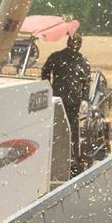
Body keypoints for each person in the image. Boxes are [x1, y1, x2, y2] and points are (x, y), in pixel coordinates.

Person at [41, 33, 91, 175]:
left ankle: (70, 159)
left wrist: (85, 99)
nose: (75, 44)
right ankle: (65, 159)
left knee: (68, 131)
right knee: (63, 130)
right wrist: (48, 88)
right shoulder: (61, 57)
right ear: (70, 42)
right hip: (60, 101)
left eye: (77, 42)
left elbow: (86, 82)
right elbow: (45, 72)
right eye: (74, 42)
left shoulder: (80, 61)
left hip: (68, 102)